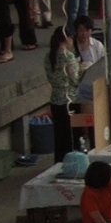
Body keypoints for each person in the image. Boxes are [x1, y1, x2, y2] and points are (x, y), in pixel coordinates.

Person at [42, 28, 80, 164]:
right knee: (72, 136)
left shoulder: (48, 56)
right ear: (67, 38)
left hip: (55, 99)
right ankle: (74, 162)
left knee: (59, 135)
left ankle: (59, 161)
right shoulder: (68, 57)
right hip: (70, 100)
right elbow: (75, 80)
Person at [71, 15, 106, 106]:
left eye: (87, 30)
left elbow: (103, 65)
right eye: (81, 30)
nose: (84, 34)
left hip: (93, 85)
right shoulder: (71, 46)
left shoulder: (97, 45)